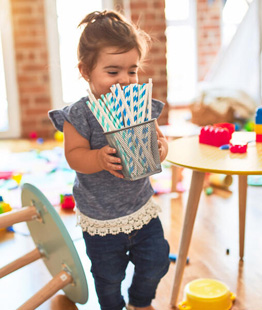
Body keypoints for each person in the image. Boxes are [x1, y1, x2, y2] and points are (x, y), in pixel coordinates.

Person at [48, 10, 170, 310]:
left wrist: (160, 147)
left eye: (132, 71)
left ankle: (140, 303)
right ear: (86, 71)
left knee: (156, 260)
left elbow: (160, 140)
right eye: (112, 72)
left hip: (141, 209)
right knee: (107, 277)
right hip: (100, 218)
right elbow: (74, 157)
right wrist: (99, 158)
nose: (125, 81)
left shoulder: (140, 104)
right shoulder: (79, 115)